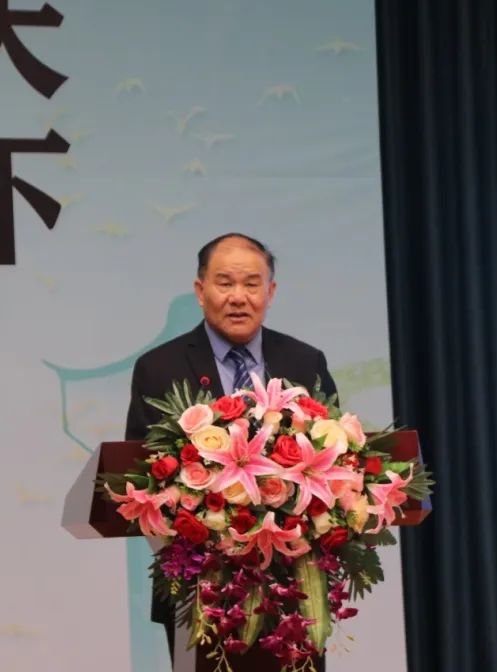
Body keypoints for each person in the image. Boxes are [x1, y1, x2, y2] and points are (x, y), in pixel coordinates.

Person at [124, 232, 337, 668]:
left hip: (296, 584)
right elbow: (142, 476)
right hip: (200, 586)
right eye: (225, 283)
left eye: (251, 284)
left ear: (270, 292)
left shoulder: (304, 361)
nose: (238, 297)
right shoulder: (159, 368)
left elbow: (334, 458)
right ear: (200, 290)